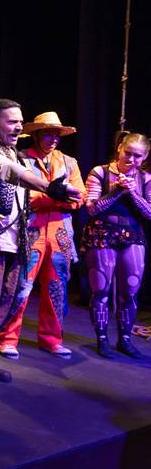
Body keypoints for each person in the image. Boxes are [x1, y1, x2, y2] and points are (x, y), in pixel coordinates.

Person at [0, 99, 80, 389]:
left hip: (13, 241)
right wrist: (49, 187)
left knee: (2, 302)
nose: (19, 126)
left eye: (21, 121)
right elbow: (4, 169)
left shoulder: (15, 153)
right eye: (12, 121)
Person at [0, 112, 84, 360]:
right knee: (21, 286)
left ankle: (51, 340)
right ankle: (7, 338)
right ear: (35, 134)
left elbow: (80, 198)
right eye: (47, 133)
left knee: (57, 288)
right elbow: (21, 197)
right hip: (31, 231)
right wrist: (55, 197)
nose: (53, 139)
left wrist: (48, 200)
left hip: (61, 234)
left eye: (56, 134)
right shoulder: (22, 160)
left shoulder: (69, 162)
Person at [80, 132, 151, 358]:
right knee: (101, 289)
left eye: (138, 156)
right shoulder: (99, 172)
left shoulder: (146, 179)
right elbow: (91, 208)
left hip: (132, 237)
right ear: (119, 148)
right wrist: (116, 191)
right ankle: (102, 338)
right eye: (128, 153)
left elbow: (149, 212)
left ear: (145, 156)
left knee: (129, 292)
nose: (131, 160)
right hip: (102, 234)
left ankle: (125, 339)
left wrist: (131, 192)